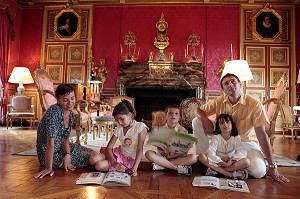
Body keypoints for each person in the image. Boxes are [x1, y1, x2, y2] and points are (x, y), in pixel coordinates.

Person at [192, 73, 289, 183]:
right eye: (226, 83)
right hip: (224, 139)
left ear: (240, 84)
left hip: (246, 142)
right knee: (197, 121)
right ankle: (202, 157)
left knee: (259, 172)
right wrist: (205, 119)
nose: (230, 85)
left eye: (233, 81)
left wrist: (272, 165)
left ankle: (217, 167)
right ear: (223, 89)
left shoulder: (254, 104)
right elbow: (198, 110)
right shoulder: (220, 100)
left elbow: (262, 134)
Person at [34, 84, 101, 178]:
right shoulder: (53, 113)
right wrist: (48, 168)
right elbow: (50, 141)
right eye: (65, 100)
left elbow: (65, 139)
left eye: (72, 98)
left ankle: (115, 160)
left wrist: (67, 154)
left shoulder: (71, 114)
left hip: (62, 147)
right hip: (49, 155)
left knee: (93, 153)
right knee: (93, 158)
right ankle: (117, 160)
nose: (70, 103)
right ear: (58, 100)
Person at [92, 99, 148, 176]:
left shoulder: (140, 127)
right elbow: (109, 148)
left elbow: (139, 149)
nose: (120, 123)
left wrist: (135, 168)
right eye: (117, 120)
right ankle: (107, 159)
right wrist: (114, 162)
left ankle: (109, 161)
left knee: (98, 165)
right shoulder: (119, 128)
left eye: (122, 119)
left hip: (129, 159)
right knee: (93, 159)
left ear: (130, 114)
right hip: (118, 152)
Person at [145, 104, 198, 175]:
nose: (173, 115)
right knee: (148, 153)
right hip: (163, 156)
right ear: (166, 116)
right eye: (170, 113)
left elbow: (183, 150)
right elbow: (158, 147)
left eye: (176, 113)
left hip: (177, 157)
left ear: (179, 118)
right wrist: (163, 152)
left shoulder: (183, 131)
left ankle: (162, 166)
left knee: (194, 157)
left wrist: (172, 156)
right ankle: (177, 168)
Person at [198, 113, 250, 180]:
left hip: (231, 162)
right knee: (201, 156)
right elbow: (210, 152)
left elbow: (242, 152)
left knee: (246, 161)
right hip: (218, 161)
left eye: (227, 122)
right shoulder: (216, 137)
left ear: (232, 125)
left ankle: (218, 171)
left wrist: (229, 158)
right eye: (222, 123)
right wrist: (222, 162)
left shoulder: (236, 138)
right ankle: (229, 174)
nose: (225, 125)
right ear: (218, 127)